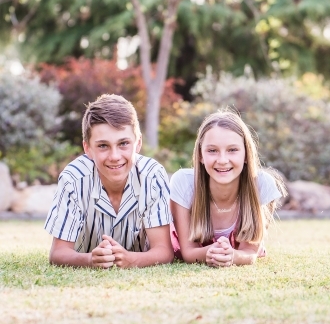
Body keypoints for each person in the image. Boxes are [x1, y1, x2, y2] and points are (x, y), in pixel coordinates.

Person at [44, 94, 173, 269]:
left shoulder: (153, 177)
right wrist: (90, 260)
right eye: (103, 146)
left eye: (124, 143)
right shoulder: (73, 179)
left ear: (138, 143)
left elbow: (164, 250)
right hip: (87, 254)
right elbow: (58, 253)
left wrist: (131, 260)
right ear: (87, 148)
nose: (114, 157)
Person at [170, 110, 286, 267]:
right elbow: (188, 252)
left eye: (232, 150)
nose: (222, 160)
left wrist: (233, 256)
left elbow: (249, 253)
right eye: (212, 150)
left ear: (246, 154)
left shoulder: (262, 185)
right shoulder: (184, 183)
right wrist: (209, 253)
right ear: (200, 155)